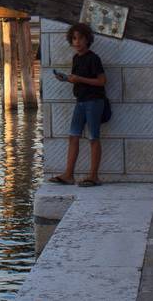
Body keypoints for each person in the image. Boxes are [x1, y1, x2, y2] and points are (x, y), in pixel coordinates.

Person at [48, 23, 108, 187]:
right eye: (74, 39)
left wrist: (79, 79)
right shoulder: (76, 58)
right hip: (80, 102)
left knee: (93, 137)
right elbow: (78, 79)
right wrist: (66, 79)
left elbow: (102, 81)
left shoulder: (93, 58)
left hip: (94, 102)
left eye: (80, 38)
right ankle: (68, 174)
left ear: (87, 39)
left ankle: (94, 176)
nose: (77, 42)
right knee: (73, 136)